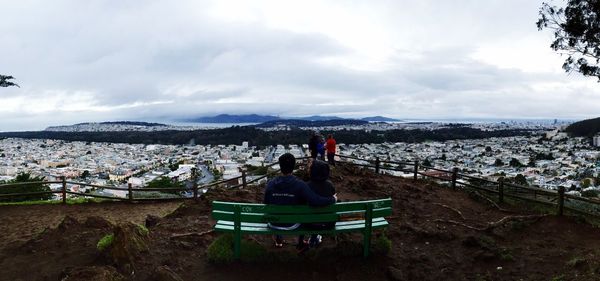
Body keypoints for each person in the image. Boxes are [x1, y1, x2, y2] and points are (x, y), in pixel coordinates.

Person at [264, 153, 336, 250]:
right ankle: (305, 241)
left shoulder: (270, 183)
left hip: (273, 223)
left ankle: (279, 238)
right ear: (293, 166)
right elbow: (315, 201)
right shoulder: (300, 185)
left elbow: (266, 202)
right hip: (292, 225)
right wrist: (333, 199)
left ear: (280, 166)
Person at [304, 159, 336, 247]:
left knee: (314, 216)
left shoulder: (306, 186)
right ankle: (315, 238)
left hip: (309, 224)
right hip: (328, 223)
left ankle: (312, 239)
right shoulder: (330, 185)